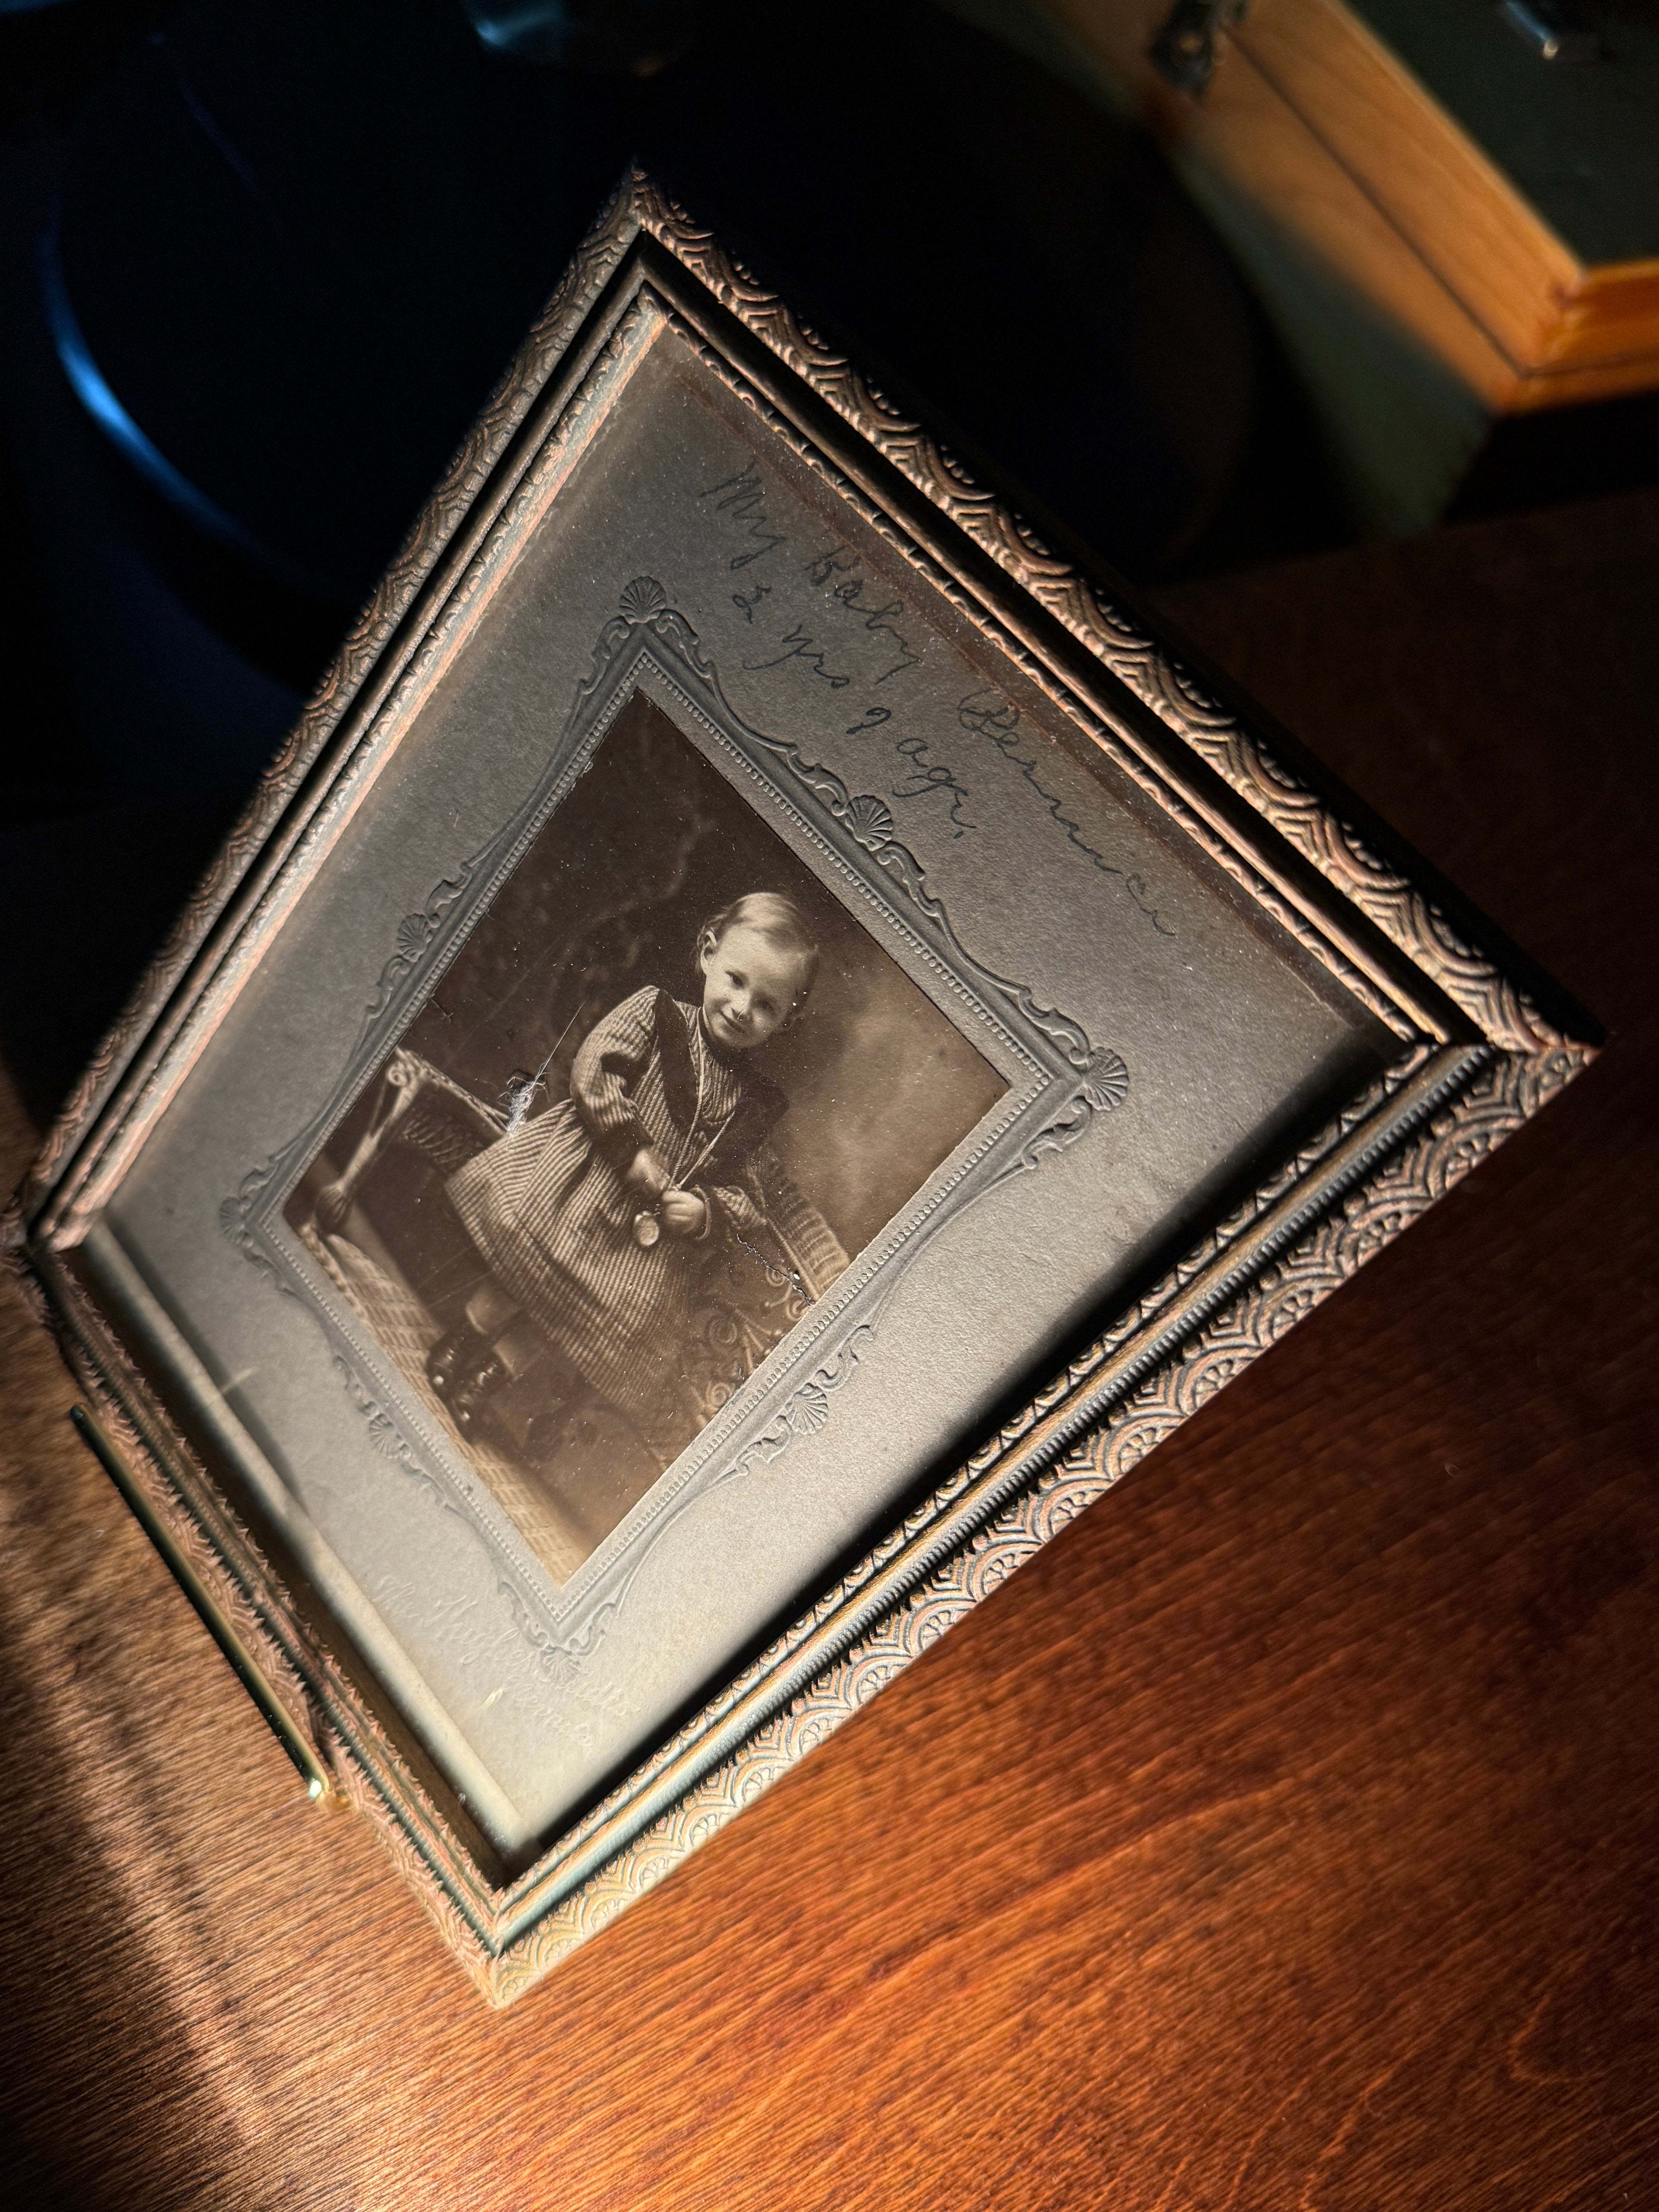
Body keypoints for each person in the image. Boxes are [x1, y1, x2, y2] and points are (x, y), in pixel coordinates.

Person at [427, 893, 848, 1468]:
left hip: (642, 1251)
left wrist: (706, 1212)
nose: (742, 1008)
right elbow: (594, 1070)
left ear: (788, 1019)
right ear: (708, 953)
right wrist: (633, 1148)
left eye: (767, 1005)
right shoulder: (656, 1014)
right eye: (736, 980)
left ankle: (486, 1380)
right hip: (583, 1187)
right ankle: (461, 1344)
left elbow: (750, 1198)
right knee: (527, 1274)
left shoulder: (755, 1107)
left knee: (571, 1320)